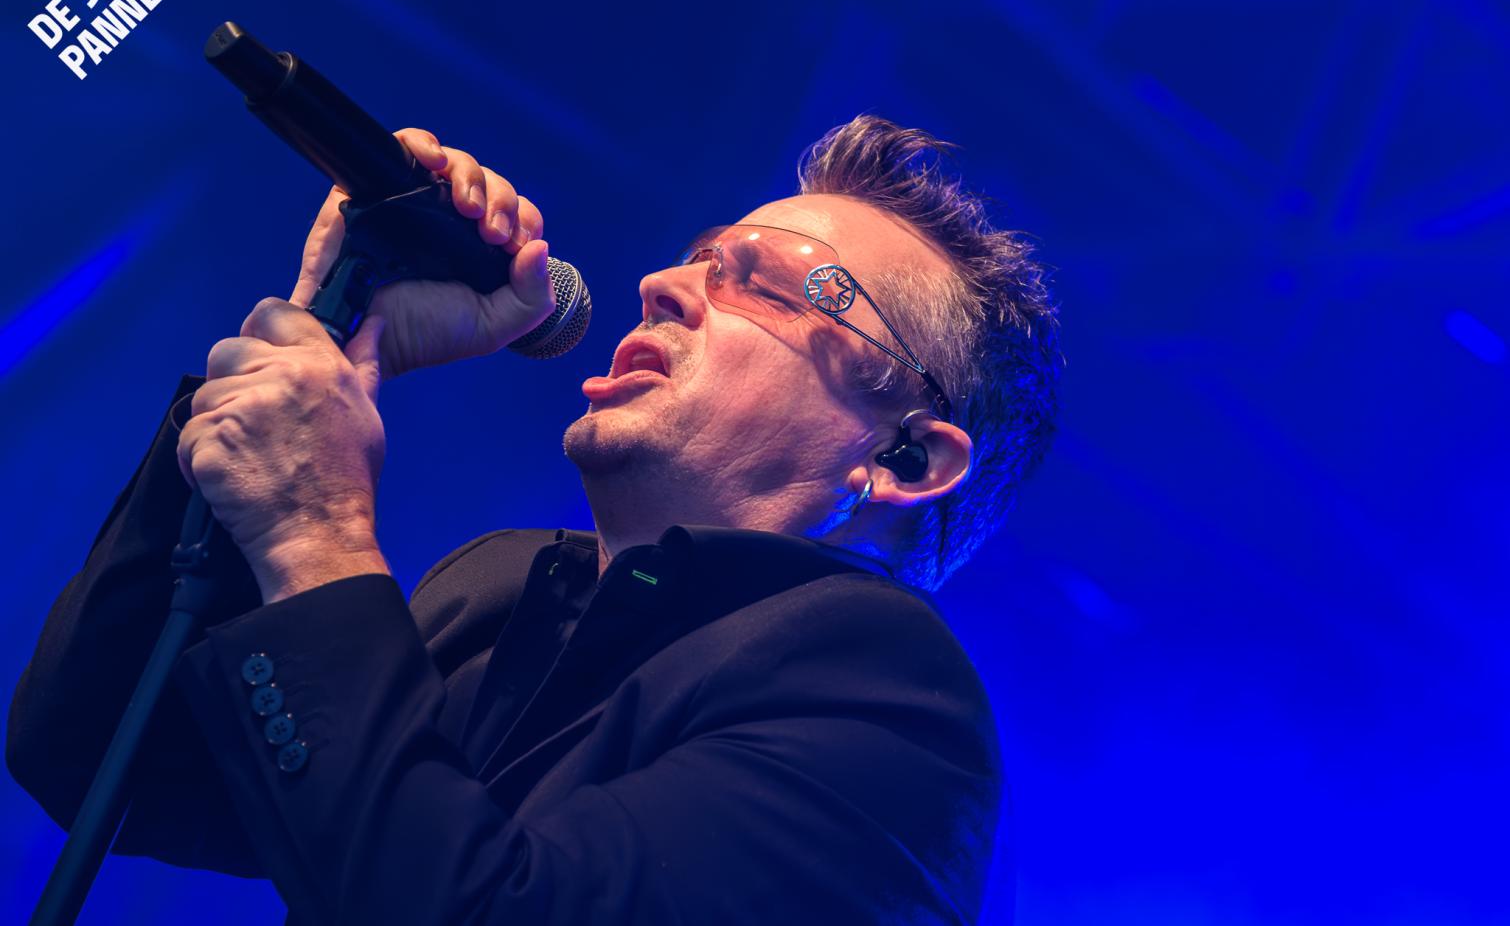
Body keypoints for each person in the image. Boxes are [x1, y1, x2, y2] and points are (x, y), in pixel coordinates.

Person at [8, 115, 1060, 924]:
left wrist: (313, 534)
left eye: (766, 286)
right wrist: (335, 332)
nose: (663, 285)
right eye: (697, 256)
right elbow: (96, 756)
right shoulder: (502, 589)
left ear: (905, 458)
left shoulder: (891, 702)